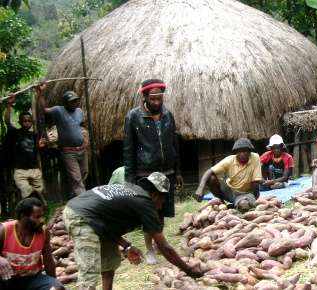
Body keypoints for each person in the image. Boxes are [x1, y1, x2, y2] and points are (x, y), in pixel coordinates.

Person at [63, 172, 203, 290]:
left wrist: (127, 246)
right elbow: (164, 247)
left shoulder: (132, 191)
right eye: (163, 201)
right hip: (81, 217)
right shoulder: (145, 204)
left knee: (109, 262)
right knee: (89, 272)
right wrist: (188, 270)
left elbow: (107, 226)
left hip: (92, 217)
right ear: (156, 195)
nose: (161, 207)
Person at [123, 79, 183, 265]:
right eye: (153, 99)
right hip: (146, 173)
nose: (157, 103)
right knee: (149, 213)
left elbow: (174, 144)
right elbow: (128, 149)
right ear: (145, 97)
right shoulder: (134, 117)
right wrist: (130, 179)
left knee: (162, 212)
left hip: (167, 171)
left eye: (159, 98)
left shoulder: (168, 115)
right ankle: (149, 249)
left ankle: (159, 243)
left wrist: (178, 170)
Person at [0, 198, 64, 290]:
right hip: (6, 279)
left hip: (32, 279)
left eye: (42, 216)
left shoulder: (43, 232)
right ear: (23, 216)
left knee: (57, 288)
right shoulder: (4, 231)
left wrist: (53, 283)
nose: (42, 220)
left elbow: (49, 261)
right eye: (37, 217)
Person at [36, 83, 88, 196]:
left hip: (82, 149)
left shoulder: (79, 111)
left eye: (76, 100)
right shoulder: (58, 110)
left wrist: (84, 140)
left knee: (84, 172)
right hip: (68, 151)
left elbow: (81, 126)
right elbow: (44, 110)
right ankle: (83, 198)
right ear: (65, 103)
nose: (75, 103)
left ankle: (75, 194)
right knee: (76, 176)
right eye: (72, 101)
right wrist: (41, 94)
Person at [194, 138, 262, 212]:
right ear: (236, 152)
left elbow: (256, 181)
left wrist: (255, 199)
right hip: (229, 191)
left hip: (245, 193)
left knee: (244, 205)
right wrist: (200, 188)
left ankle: (238, 203)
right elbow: (209, 171)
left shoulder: (255, 157)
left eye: (245, 151)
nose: (242, 154)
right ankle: (222, 204)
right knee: (211, 178)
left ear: (250, 152)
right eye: (239, 151)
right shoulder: (229, 160)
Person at [3, 95, 47, 204]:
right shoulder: (15, 133)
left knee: (39, 191)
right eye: (24, 121)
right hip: (20, 171)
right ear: (20, 122)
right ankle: (30, 208)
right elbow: (7, 122)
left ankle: (37, 208)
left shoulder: (34, 135)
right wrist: (9, 105)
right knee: (26, 191)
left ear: (32, 122)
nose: (27, 122)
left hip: (34, 169)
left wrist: (40, 146)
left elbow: (37, 148)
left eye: (29, 121)